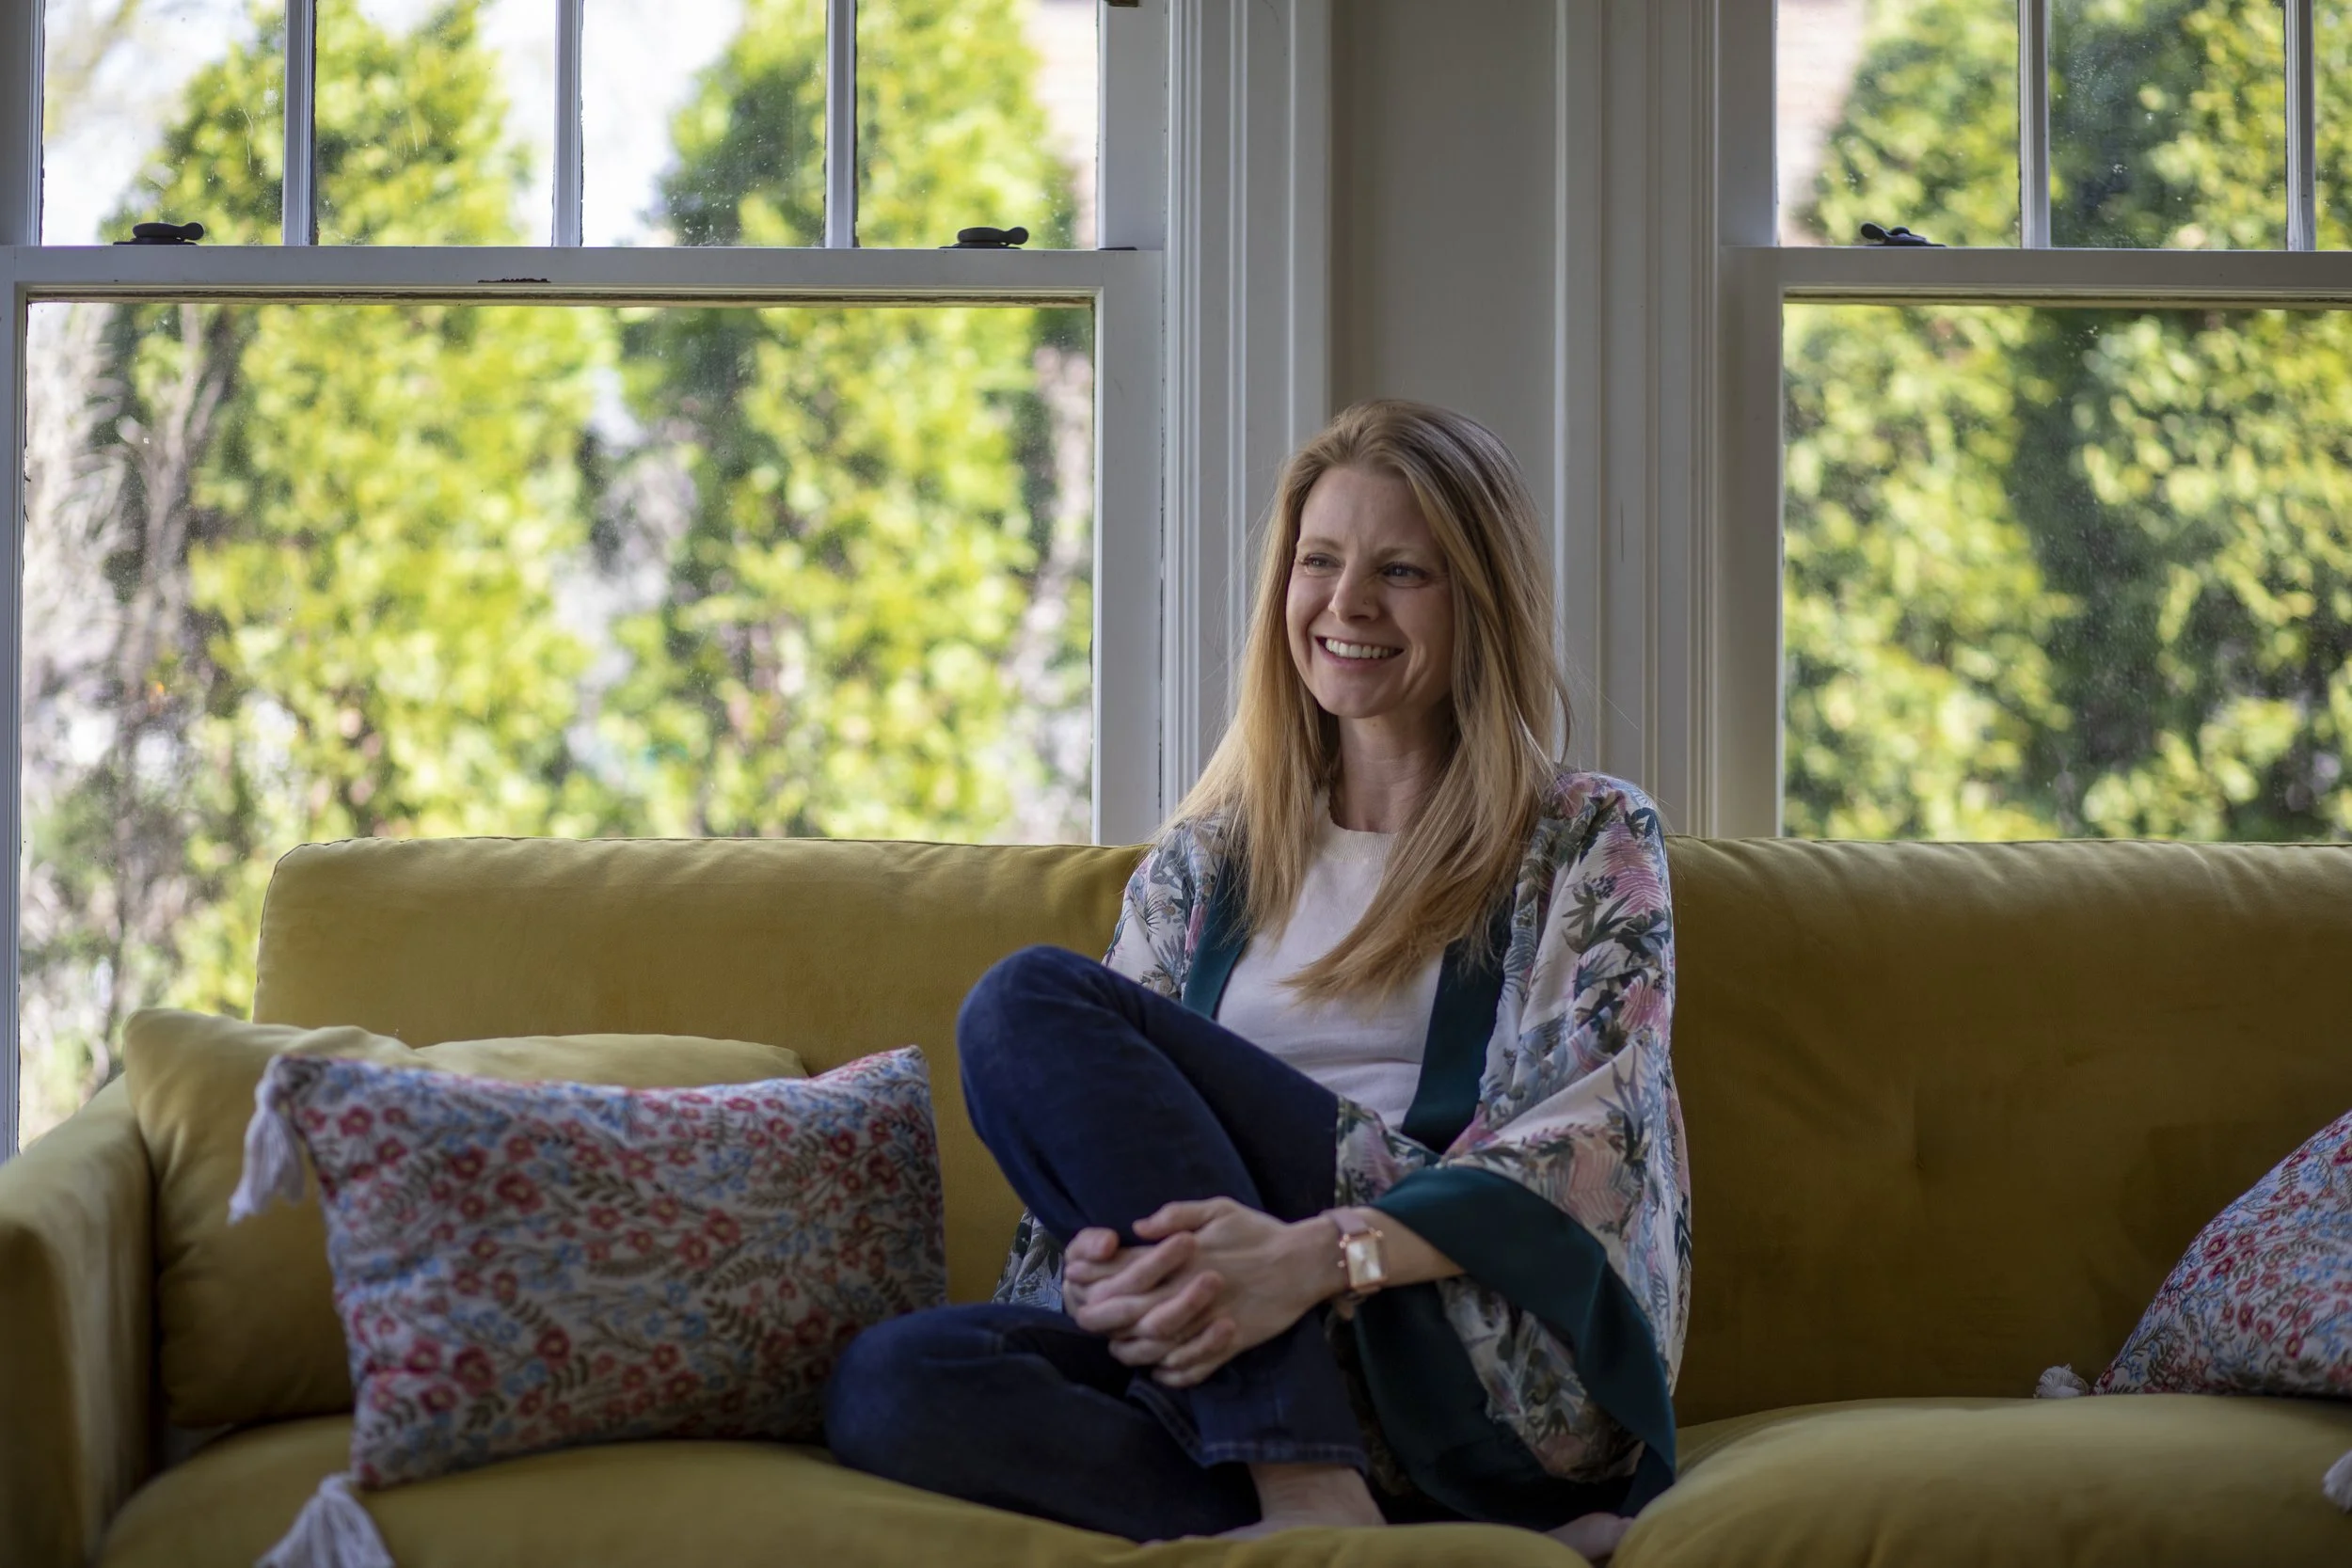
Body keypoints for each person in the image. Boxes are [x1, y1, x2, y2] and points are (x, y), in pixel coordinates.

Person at [824, 400, 1690, 1558]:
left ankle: (1299, 1477)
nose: (1347, 605)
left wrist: (1313, 1255)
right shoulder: (1204, 863)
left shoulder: (1587, 834)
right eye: (1318, 562)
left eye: (1402, 570)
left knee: (1025, 1000)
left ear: (1477, 600)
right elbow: (1107, 1141)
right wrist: (1106, 1268)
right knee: (894, 1379)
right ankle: (1372, 1518)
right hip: (1242, 1332)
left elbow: (1594, 1137)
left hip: (1462, 1336)